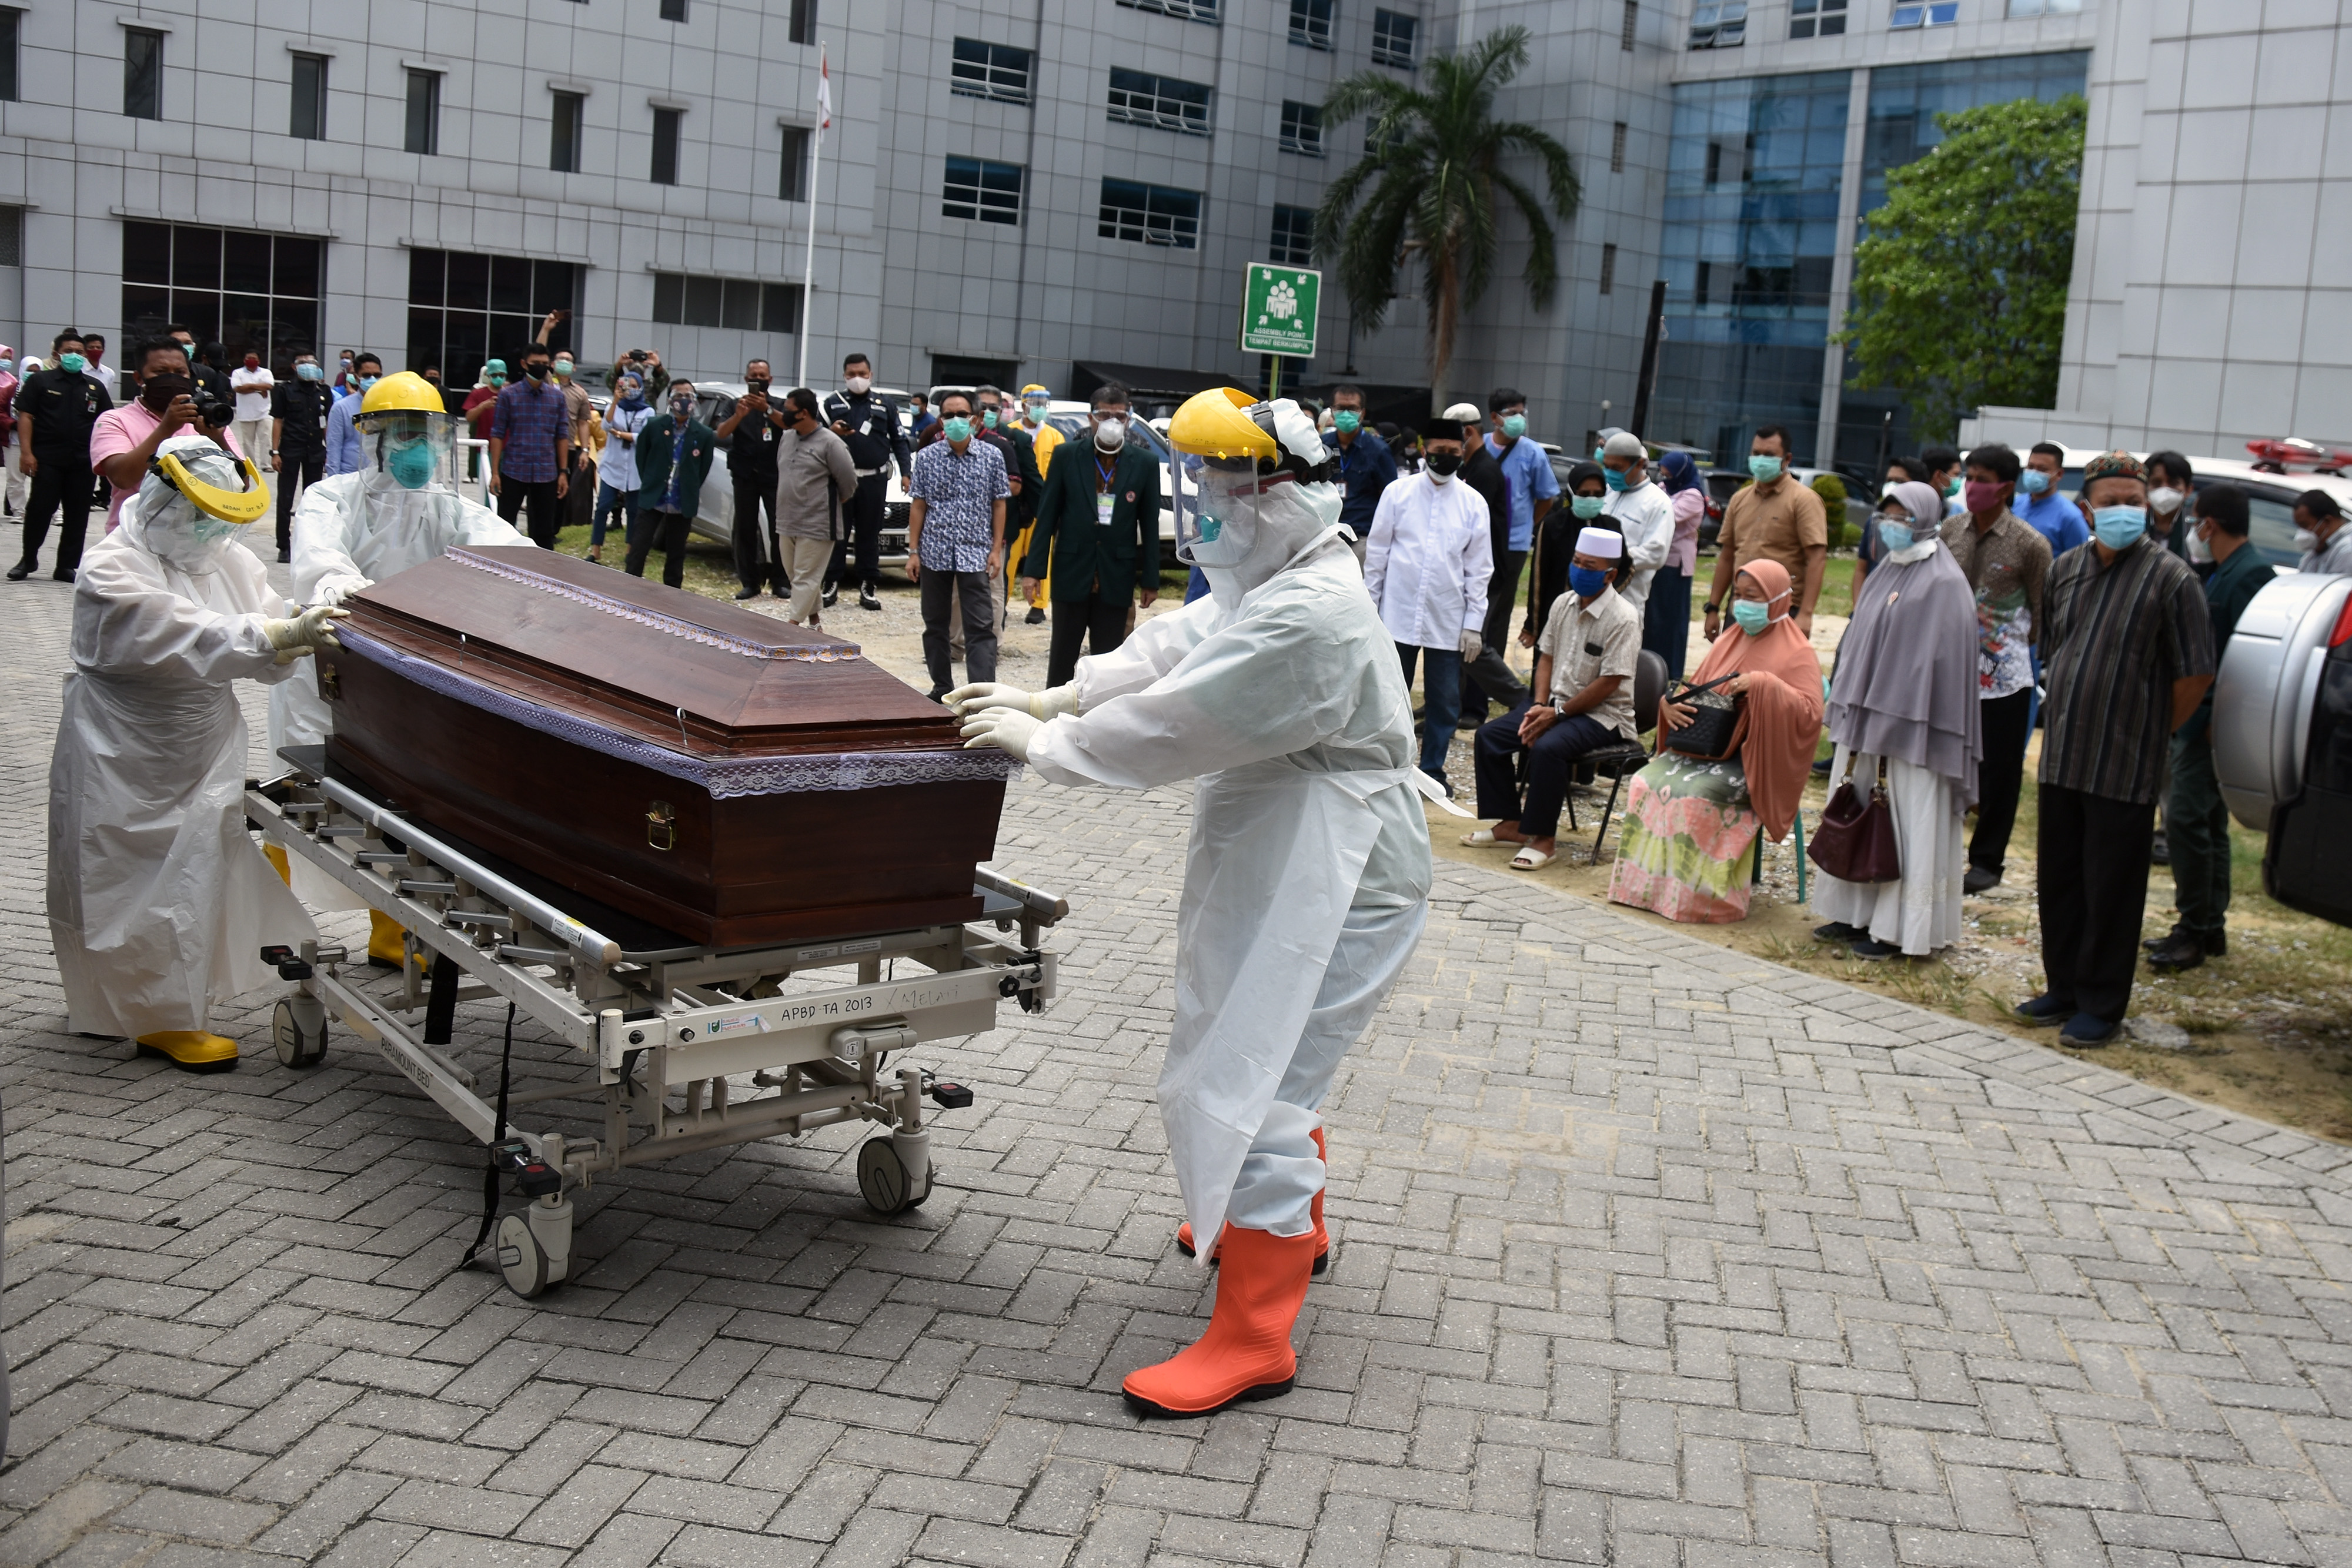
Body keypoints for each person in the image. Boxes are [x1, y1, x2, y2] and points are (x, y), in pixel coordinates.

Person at [950, 390, 1441, 1420]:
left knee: (1256, 1077)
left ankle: (1255, 1334)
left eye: (1225, 483)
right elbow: (1185, 642)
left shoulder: (1312, 610)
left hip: (1343, 863)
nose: (1208, 502)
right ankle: (1285, 1227)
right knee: (1260, 1043)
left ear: (1276, 492)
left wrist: (1051, 745)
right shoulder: (1287, 569)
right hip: (1298, 843)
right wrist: (1063, 693)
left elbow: (1188, 717)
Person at [48, 434, 338, 1071]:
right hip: (121, 743)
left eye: (220, 521)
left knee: (189, 870)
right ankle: (143, 1014)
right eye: (200, 517)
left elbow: (263, 623)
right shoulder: (111, 566)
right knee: (113, 872)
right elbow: (185, 630)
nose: (208, 533)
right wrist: (277, 633)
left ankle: (148, 1006)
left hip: (199, 737)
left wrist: (299, 625)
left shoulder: (223, 561)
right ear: (159, 500)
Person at [270, 373, 529, 962]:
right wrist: (376, 612)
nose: (418, 448)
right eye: (406, 434)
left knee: (400, 807)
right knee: (304, 800)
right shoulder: (331, 497)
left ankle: (393, 931)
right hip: (330, 670)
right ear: (376, 438)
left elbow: (514, 554)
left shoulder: (449, 508)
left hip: (405, 681)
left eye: (427, 435)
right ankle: (273, 922)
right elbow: (322, 567)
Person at [2022, 452, 2214, 1045]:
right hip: (2062, 756)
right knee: (2059, 879)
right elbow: (2054, 648)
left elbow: (2195, 676)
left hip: (2125, 763)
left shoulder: (2171, 578)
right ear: (2087, 509)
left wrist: (2149, 729)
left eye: (2134, 502)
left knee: (2111, 889)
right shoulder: (2066, 569)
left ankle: (2101, 1004)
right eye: (2112, 503)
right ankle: (2064, 987)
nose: (2126, 512)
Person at [1810, 480, 1982, 960]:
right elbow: (1860, 647)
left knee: (1906, 822)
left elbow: (1942, 667)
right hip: (1868, 725)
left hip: (1916, 733)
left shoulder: (1945, 584)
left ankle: (1898, 928)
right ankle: (1852, 914)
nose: (1892, 527)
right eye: (1886, 517)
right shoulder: (1886, 570)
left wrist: (1898, 706)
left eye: (1902, 518)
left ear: (1926, 519)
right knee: (1856, 808)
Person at [1609, 559, 1823, 922]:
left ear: (1777, 600)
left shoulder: (1798, 652)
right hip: (1708, 746)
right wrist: (1669, 706)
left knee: (1697, 794)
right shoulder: (1730, 638)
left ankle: (1700, 900)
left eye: (1752, 596)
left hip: (1754, 759)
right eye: (1737, 596)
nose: (1742, 604)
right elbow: (1698, 690)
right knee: (1647, 782)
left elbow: (1810, 714)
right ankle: (1645, 889)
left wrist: (1764, 685)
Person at [1468, 524, 1642, 870]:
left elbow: (1610, 683)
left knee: (1549, 747)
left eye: (1589, 566)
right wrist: (1539, 705)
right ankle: (1512, 824)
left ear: (1610, 575)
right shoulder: (1564, 603)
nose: (1578, 570)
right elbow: (1545, 657)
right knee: (1490, 736)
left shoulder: (1624, 618)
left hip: (1604, 716)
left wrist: (1558, 714)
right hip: (1556, 705)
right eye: (1576, 561)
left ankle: (1544, 840)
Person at [2151, 483, 2267, 974]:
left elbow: (2243, 661)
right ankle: (2208, 922)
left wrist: (2217, 718)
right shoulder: (2226, 572)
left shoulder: (2247, 575)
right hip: (2206, 718)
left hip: (2208, 722)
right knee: (2207, 823)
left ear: (2209, 524)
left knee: (2186, 821)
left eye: (2196, 520)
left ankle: (2194, 926)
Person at [1940, 443, 2052, 895]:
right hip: (1950, 671)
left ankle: (1987, 860)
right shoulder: (1951, 530)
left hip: (2005, 679)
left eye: (1981, 479)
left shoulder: (2030, 544)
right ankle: (1940, 847)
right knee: (1946, 761)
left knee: (2000, 773)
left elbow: (2045, 614)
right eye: (1968, 477)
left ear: (2005, 487)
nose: (1971, 487)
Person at [1364, 417, 1493, 792]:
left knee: (1444, 702)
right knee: (1391, 696)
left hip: (1447, 618)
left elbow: (1479, 570)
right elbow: (1378, 556)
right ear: (1425, 451)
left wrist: (1474, 624)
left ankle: (1433, 773)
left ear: (1463, 453)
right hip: (1396, 614)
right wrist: (1370, 611)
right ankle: (1390, 768)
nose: (1446, 458)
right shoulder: (1397, 493)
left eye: (1454, 453)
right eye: (1439, 452)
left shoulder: (1473, 504)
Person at [1023, 382, 1161, 688]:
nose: (1112, 422)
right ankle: (1053, 718)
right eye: (1104, 415)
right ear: (1090, 418)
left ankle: (1099, 722)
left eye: (1120, 416)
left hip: (1116, 571)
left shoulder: (1145, 463)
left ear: (1129, 419)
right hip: (1072, 568)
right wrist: (1032, 572)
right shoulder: (1066, 456)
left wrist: (1150, 579)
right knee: (1062, 656)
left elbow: (1149, 525)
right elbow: (1046, 517)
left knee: (1108, 660)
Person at [906, 390, 1008, 700]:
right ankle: (942, 688)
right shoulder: (926, 457)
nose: (955, 421)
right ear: (940, 421)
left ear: (974, 419)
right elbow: (919, 506)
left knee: (980, 626)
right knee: (935, 624)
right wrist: (913, 552)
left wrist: (995, 550)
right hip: (934, 552)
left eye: (961, 415)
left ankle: (981, 692)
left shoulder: (992, 456)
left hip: (975, 553)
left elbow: (999, 505)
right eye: (948, 415)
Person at [91, 338, 248, 535]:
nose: (172, 379)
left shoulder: (206, 420)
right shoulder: (115, 420)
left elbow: (242, 485)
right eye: (160, 372)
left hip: (197, 540)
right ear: (139, 378)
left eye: (180, 372)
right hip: (133, 537)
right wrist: (166, 428)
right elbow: (122, 478)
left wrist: (219, 440)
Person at [1705, 426, 1826, 645]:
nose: (1761, 460)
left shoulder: (1804, 500)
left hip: (1783, 608)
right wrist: (1713, 607)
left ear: (1787, 458)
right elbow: (1727, 555)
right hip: (1741, 607)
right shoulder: (1739, 500)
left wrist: (1806, 614)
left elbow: (1817, 558)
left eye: (1769, 455)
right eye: (1756, 453)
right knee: (1733, 673)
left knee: (1772, 677)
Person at [11, 331, 111, 581]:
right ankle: (28, 559)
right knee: (40, 510)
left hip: (82, 462)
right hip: (47, 459)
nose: (75, 356)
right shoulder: (40, 381)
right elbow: (25, 417)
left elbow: (106, 422)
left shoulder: (95, 387)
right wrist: (26, 453)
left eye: (80, 352)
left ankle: (66, 565)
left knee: (77, 515)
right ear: (57, 354)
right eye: (69, 351)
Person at [1450, 402, 1521, 723]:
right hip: (1467, 569)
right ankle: (1449, 704)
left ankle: (1514, 700)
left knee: (1475, 643)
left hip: (1485, 571)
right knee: (1455, 642)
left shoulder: (1484, 470)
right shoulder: (1470, 466)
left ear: (1467, 433)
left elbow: (1468, 527)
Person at [823, 353, 910, 613]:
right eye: (851, 375)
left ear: (871, 374)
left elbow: (900, 440)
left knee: (870, 534)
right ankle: (831, 583)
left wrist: (907, 472)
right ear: (844, 376)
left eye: (862, 374)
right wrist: (832, 432)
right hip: (840, 479)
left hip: (874, 478)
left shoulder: (886, 405)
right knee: (837, 532)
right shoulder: (832, 403)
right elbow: (815, 436)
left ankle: (868, 586)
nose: (857, 379)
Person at [773, 387, 859, 628]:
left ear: (803, 414)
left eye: (788, 411)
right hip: (787, 519)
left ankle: (790, 628)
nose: (784, 414)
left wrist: (836, 501)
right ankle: (814, 622)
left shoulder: (831, 443)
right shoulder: (788, 437)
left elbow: (849, 481)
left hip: (818, 523)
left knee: (806, 577)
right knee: (795, 576)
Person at [626, 382, 714, 588]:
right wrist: (651, 481)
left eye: (688, 395)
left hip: (681, 501)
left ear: (694, 401)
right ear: (670, 400)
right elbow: (642, 458)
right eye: (679, 395)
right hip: (654, 497)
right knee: (639, 547)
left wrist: (687, 486)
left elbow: (702, 469)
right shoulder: (655, 426)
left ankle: (672, 597)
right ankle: (628, 589)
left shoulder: (703, 434)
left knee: (676, 553)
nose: (683, 400)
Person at [716, 358, 788, 599]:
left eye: (763, 375)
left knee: (780, 528)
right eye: (754, 375)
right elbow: (721, 432)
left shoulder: (779, 405)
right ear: (746, 380)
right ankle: (750, 582)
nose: (759, 379)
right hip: (745, 474)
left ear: (770, 379)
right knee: (745, 528)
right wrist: (739, 415)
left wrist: (766, 409)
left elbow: (791, 427)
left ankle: (781, 581)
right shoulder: (734, 405)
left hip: (774, 475)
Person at [489, 345, 572, 547]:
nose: (541, 368)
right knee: (505, 526)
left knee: (544, 531)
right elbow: (498, 434)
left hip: (546, 472)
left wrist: (563, 472)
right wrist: (495, 472)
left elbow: (562, 436)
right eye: (536, 364)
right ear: (524, 364)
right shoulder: (509, 395)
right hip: (513, 470)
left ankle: (541, 574)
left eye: (545, 364)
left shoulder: (557, 397)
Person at [1525, 460, 1609, 640]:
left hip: (1598, 616)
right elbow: (1539, 577)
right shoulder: (1553, 526)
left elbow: (1625, 568)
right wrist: (1533, 625)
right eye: (1584, 494)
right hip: (1556, 614)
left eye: (1598, 494)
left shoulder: (1611, 528)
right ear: (1571, 493)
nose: (1591, 499)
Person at [269, 350, 335, 563]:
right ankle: (284, 546)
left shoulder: (324, 391)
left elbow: (326, 423)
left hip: (315, 450)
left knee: (313, 500)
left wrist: (329, 451)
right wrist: (275, 452)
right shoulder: (284, 390)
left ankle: (310, 543)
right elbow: (278, 420)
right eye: (303, 363)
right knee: (285, 499)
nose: (309, 366)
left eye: (312, 363)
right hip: (290, 449)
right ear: (294, 367)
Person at [1599, 431, 1673, 613]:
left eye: (1617, 468)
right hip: (1592, 592)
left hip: (1626, 601)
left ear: (1639, 464)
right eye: (1607, 467)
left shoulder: (1658, 502)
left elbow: (1656, 554)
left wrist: (1608, 560)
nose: (1610, 474)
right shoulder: (1606, 492)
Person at [1648, 450, 1706, 678]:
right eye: (1663, 471)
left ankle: (1671, 673)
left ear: (1681, 473)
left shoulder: (1693, 495)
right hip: (1658, 560)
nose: (1664, 476)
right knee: (1654, 618)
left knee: (1672, 620)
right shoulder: (1664, 488)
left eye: (1669, 472)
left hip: (1676, 564)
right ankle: (1652, 668)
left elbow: (1665, 516)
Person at [1008, 383, 1063, 624]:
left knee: (1042, 555)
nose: (1040, 408)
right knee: (1009, 554)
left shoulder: (1055, 436)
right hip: (1015, 504)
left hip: (1043, 505)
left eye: (1043, 404)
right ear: (1024, 405)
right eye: (1035, 403)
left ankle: (1039, 606)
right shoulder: (1009, 432)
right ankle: (1003, 600)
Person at [1323, 384, 1398, 550]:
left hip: (1362, 540)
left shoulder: (1379, 450)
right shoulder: (1320, 446)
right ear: (1332, 411)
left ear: (1362, 413)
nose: (1347, 413)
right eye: (1341, 408)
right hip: (1323, 537)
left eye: (1352, 409)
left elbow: (1392, 497)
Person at [593, 370, 652, 567]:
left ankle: (630, 549)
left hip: (635, 469)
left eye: (636, 386)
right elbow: (606, 425)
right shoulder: (614, 406)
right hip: (613, 466)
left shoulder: (647, 412)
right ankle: (596, 550)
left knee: (634, 511)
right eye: (629, 385)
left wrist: (621, 434)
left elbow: (642, 437)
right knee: (603, 507)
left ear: (641, 388)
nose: (632, 390)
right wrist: (615, 401)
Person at [2014, 442, 2089, 556]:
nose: (2034, 473)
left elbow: (2078, 563)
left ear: (2059, 474)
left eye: (2042, 469)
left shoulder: (2070, 517)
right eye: (2031, 467)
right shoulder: (2014, 504)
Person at [324, 352, 381, 476]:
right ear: (356, 378)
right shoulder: (341, 408)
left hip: (379, 478)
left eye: (377, 375)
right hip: (350, 476)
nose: (372, 380)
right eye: (366, 376)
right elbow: (334, 447)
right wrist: (334, 480)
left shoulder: (388, 406)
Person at [2144, 451, 2194, 563]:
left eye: (2173, 483)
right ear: (2145, 488)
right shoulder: (2136, 522)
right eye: (2156, 483)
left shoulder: (2196, 527)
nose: (2164, 490)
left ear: (2188, 490)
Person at [229, 351, 274, 469]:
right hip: (245, 413)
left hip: (265, 412)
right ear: (244, 360)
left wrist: (248, 387)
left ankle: (266, 465)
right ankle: (251, 465)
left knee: (266, 440)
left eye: (253, 358)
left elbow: (269, 386)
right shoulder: (237, 373)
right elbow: (238, 388)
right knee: (248, 442)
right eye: (248, 358)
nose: (251, 360)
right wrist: (259, 389)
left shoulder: (266, 372)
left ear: (259, 361)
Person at [2296, 490, 2352, 574]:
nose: (2302, 532)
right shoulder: (2317, 551)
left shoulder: (2347, 550)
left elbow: (2339, 586)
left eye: (2305, 526)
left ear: (2327, 521)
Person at [0, 343, 21, 520]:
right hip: (6, 428)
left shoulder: (11, 381)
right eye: (3, 357)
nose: (6, 361)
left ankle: (13, 507)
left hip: (7, 432)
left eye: (8, 358)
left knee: (13, 471)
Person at [1921, 443, 1963, 517]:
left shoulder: (1956, 511)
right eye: (1956, 474)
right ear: (1939, 476)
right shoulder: (1913, 507)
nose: (1959, 480)